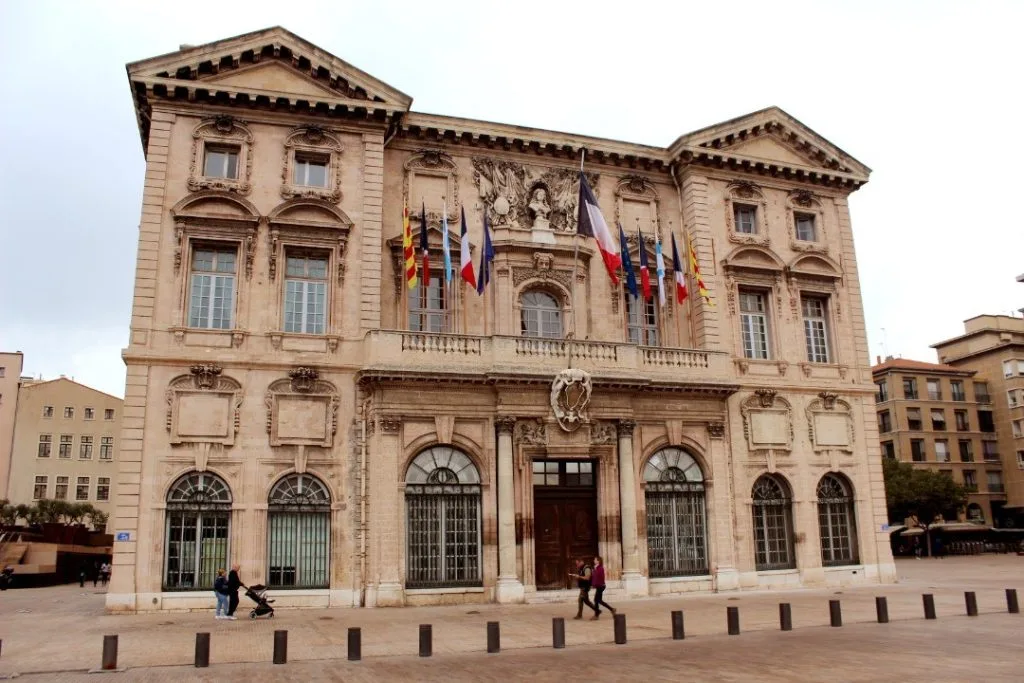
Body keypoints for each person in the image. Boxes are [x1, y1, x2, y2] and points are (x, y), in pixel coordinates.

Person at [590, 555, 615, 620]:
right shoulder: (596, 568)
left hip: (601, 586)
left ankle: (597, 614)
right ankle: (611, 609)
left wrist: (594, 570)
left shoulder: (600, 568)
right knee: (599, 600)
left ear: (598, 561)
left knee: (596, 600)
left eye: (595, 560)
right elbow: (594, 577)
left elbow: (598, 576)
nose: (594, 561)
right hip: (599, 586)